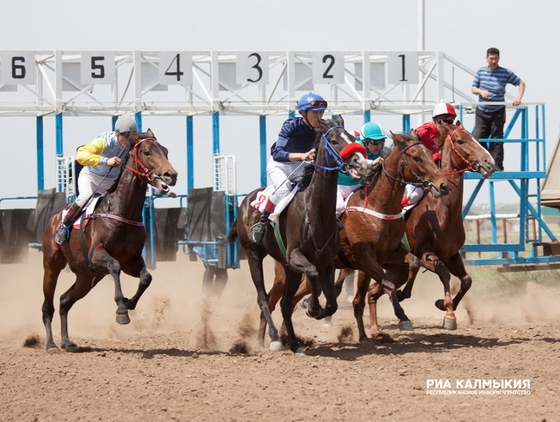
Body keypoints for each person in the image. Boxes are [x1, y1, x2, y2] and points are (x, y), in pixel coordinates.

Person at [249, 92, 325, 244]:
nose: (319, 116)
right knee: (284, 188)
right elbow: (278, 153)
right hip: (280, 165)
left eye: (321, 112)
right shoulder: (291, 125)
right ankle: (262, 222)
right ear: (304, 112)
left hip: (302, 166)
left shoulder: (322, 129)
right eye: (315, 112)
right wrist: (302, 156)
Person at [54, 115, 140, 245]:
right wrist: (106, 161)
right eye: (127, 137)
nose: (130, 142)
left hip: (112, 183)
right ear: (119, 134)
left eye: (132, 137)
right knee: (85, 196)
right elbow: (81, 155)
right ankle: (64, 226)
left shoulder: (134, 144)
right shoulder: (105, 141)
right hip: (91, 177)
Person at [471, 47, 525, 171]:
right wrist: (481, 91)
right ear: (487, 59)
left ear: (499, 59)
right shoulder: (480, 72)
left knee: (497, 139)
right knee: (479, 138)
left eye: (495, 59)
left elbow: (521, 83)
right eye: (491, 59)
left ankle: (497, 166)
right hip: (482, 111)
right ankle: (482, 165)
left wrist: (518, 98)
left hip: (498, 111)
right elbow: (473, 88)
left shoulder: (505, 72)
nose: (493, 61)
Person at [401, 102, 457, 214]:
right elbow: (411, 150)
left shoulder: (453, 134)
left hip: (438, 174)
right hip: (421, 173)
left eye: (451, 121)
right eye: (445, 121)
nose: (448, 125)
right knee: (415, 195)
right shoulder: (423, 131)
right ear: (436, 120)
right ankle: (399, 214)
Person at [336, 121, 389, 215]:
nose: (379, 146)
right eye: (375, 142)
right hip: (338, 186)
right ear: (365, 141)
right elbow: (356, 163)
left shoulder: (380, 151)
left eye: (382, 141)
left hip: (356, 186)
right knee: (339, 208)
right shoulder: (355, 146)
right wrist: (372, 163)